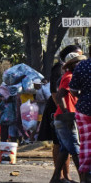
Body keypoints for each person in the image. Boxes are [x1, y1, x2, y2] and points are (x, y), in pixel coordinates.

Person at [53, 51, 84, 183]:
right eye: (78, 63)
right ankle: (84, 178)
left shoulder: (70, 76)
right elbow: (60, 96)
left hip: (63, 117)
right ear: (72, 65)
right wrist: (67, 114)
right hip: (65, 117)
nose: (80, 65)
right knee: (76, 149)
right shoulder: (69, 77)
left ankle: (55, 178)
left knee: (65, 149)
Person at [69, 51, 91, 183]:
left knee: (86, 144)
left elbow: (73, 89)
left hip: (83, 109)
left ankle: (85, 177)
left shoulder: (82, 66)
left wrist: (82, 97)